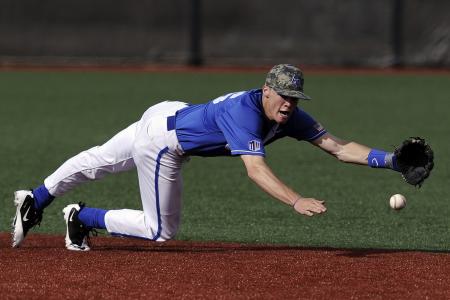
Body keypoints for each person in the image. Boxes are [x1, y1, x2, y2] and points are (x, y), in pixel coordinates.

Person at [12, 64, 401, 251]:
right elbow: (255, 169)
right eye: (283, 95)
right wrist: (295, 199)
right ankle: (80, 217)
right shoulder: (246, 115)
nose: (288, 104)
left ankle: (37, 197)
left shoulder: (287, 116)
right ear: (266, 90)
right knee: (159, 230)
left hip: (167, 113)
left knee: (97, 160)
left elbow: (338, 147)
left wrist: (393, 160)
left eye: (294, 98)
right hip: (165, 141)